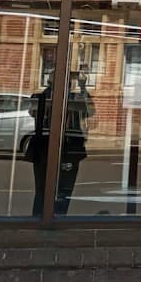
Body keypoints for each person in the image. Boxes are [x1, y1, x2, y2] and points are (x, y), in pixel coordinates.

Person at [29, 69, 94, 215]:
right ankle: (44, 217)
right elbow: (33, 111)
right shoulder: (41, 97)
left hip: (67, 148)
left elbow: (90, 111)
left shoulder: (73, 98)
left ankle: (53, 215)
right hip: (48, 147)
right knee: (47, 188)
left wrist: (83, 88)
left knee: (60, 189)